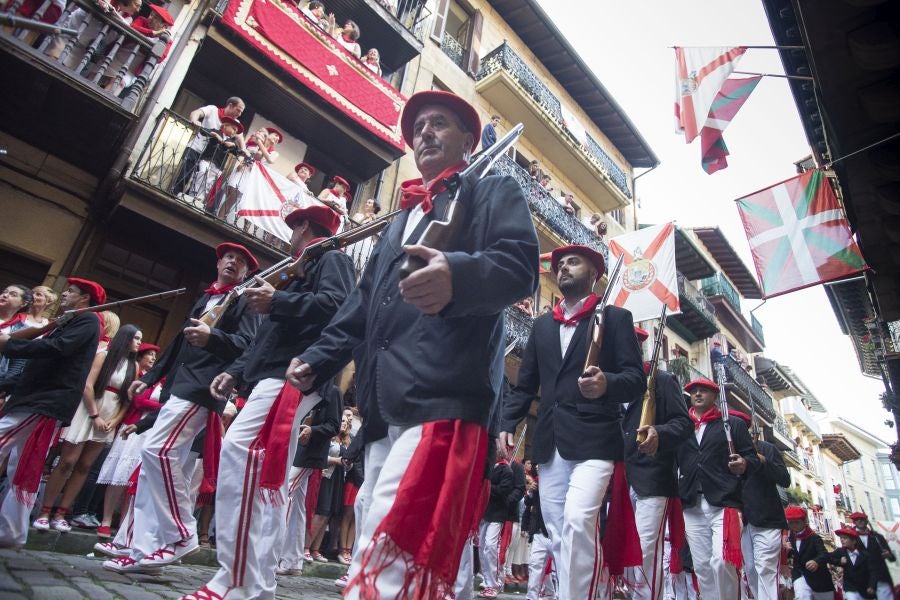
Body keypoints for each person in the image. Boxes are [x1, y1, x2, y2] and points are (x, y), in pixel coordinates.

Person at [286, 89, 539, 598]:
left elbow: (519, 270)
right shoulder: (399, 222)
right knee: (397, 547)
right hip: (382, 404)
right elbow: (362, 306)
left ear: (469, 141)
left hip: (443, 399)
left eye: (439, 123)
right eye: (419, 125)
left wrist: (458, 277)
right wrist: (319, 358)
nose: (425, 131)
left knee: (392, 547)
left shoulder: (493, 193)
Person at [182, 204, 355, 599]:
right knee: (262, 476)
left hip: (291, 374)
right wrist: (239, 371)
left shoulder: (330, 258)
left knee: (244, 458)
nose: (289, 233)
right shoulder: (301, 266)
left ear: (304, 226)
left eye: (293, 226)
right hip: (276, 373)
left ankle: (238, 578)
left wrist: (278, 303)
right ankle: (253, 580)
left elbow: (335, 307)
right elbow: (267, 337)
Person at [102, 243, 259, 574]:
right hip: (178, 387)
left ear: (246, 273)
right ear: (218, 263)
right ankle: (146, 552)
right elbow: (177, 343)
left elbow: (246, 345)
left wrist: (212, 337)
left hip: (203, 386)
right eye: (229, 257)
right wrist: (152, 377)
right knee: (152, 467)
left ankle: (181, 533)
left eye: (241, 262)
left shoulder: (244, 301)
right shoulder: (205, 298)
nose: (233, 262)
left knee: (157, 452)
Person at [501, 244, 646, 599]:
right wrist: (508, 420)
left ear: (595, 274)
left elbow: (635, 379)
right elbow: (526, 383)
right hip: (550, 442)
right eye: (560, 263)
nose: (563, 267)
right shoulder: (542, 327)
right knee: (558, 530)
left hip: (596, 439)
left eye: (573, 262)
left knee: (579, 521)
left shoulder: (615, 319)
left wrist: (606, 383)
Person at [0, 278, 104, 548]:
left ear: (84, 298)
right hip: (36, 397)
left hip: (45, 400)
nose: (65, 294)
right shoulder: (68, 321)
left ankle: (12, 532)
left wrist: (11, 345)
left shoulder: (87, 321)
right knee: (21, 467)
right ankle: (12, 532)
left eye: (71, 292)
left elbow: (57, 350)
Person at [33, 325, 142, 533]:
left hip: (110, 417)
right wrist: (94, 415)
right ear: (125, 338)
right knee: (67, 462)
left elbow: (128, 399)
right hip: (87, 411)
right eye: (135, 338)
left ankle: (61, 513)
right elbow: (87, 385)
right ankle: (45, 511)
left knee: (85, 466)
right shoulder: (104, 356)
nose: (138, 342)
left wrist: (116, 420)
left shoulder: (133, 366)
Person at [622, 327, 692, 600]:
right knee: (623, 551)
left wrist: (659, 433)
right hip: (619, 479)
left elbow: (683, 424)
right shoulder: (610, 386)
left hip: (652, 478)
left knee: (645, 549)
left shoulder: (661, 381)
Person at [675, 378, 759, 600]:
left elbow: (752, 457)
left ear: (714, 396)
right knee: (702, 567)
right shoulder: (682, 427)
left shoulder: (732, 424)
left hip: (725, 502)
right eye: (694, 391)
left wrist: (743, 463)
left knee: (722, 562)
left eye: (704, 391)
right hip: (691, 503)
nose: (698, 394)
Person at [94, 342, 162, 537]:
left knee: (134, 480)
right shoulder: (139, 377)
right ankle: (106, 519)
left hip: (150, 432)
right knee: (119, 475)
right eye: (149, 355)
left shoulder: (162, 382)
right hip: (132, 427)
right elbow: (139, 401)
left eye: (154, 357)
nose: (153, 359)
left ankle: (124, 524)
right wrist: (163, 407)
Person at [276, 384, 342, 576]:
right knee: (296, 505)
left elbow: (334, 425)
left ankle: (273, 554)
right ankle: (293, 561)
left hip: (309, 453)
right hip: (294, 449)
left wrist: (312, 430)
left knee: (284, 493)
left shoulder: (333, 391)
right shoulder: (304, 387)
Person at [741, 426, 791, 600]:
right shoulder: (728, 449)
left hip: (767, 518)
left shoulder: (767, 448)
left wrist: (764, 462)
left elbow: (784, 479)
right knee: (750, 570)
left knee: (765, 569)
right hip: (742, 520)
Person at [171, 97, 246, 195]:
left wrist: (244, 152)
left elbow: (241, 141)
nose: (239, 114)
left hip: (210, 156)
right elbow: (196, 113)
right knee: (184, 177)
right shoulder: (213, 110)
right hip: (196, 148)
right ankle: (174, 195)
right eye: (238, 110)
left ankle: (188, 199)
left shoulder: (236, 123)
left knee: (201, 181)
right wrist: (194, 121)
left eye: (241, 112)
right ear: (230, 105)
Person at [478, 456, 514, 598]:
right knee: (482, 546)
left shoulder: (506, 470)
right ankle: (487, 581)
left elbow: (503, 491)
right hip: (484, 512)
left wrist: (486, 486)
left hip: (497, 514)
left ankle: (494, 583)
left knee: (491, 546)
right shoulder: (488, 465)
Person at [785, 505, 834, 599]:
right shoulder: (790, 538)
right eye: (791, 523)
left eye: (797, 522)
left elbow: (824, 554)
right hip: (800, 574)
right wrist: (786, 551)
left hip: (818, 577)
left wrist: (816, 561)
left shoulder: (814, 537)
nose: (793, 526)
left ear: (804, 522)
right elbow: (792, 556)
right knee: (801, 596)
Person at [850, 511, 896, 600]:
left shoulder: (877, 537)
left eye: (862, 519)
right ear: (854, 522)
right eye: (857, 520)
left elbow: (892, 558)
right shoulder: (851, 538)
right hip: (862, 577)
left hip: (880, 576)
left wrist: (888, 555)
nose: (860, 521)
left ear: (866, 521)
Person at [0, 285, 34, 390]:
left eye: (13, 295)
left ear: (23, 303)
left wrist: (3, 389)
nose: (5, 295)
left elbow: (17, 364)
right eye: (4, 292)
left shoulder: (23, 331)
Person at [828, 527, 877, 600]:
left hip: (865, 589)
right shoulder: (840, 552)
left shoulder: (865, 555)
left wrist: (872, 586)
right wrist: (839, 562)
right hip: (850, 588)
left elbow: (873, 572)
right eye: (841, 538)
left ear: (854, 541)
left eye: (845, 538)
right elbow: (826, 557)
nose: (842, 540)